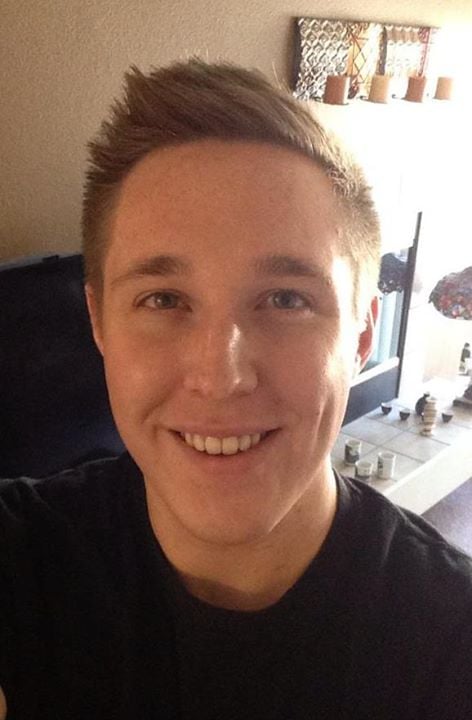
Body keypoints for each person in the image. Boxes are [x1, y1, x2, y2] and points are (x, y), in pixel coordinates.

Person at [1, 59, 471, 720]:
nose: (220, 378)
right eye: (163, 299)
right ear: (99, 322)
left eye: (286, 299)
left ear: (362, 333)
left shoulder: (451, 647)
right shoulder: (21, 561)